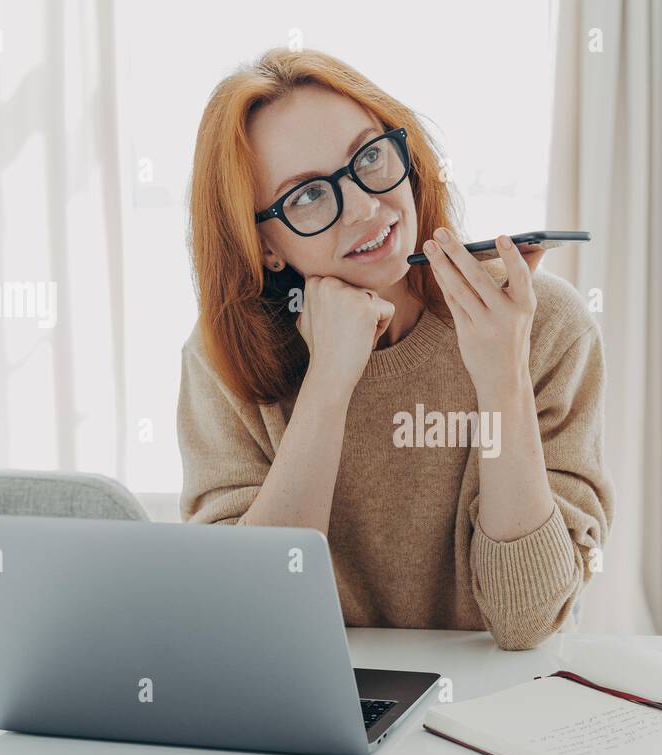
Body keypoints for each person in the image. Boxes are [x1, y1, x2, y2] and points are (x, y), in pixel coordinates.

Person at [178, 48, 613, 650]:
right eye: (306, 196)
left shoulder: (544, 326)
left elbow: (527, 620)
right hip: (312, 705)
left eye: (370, 156)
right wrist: (330, 381)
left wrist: (502, 378)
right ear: (266, 247)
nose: (363, 206)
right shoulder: (222, 360)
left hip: (492, 715)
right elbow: (250, 624)